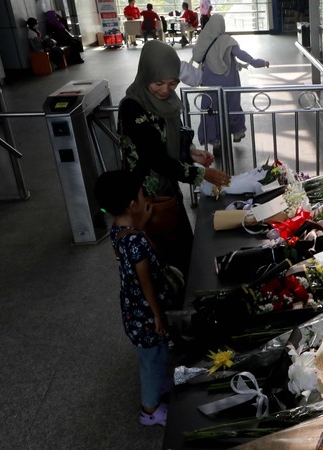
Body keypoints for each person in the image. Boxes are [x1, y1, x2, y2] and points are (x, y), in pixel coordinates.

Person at [118, 40, 230, 275]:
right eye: (158, 82)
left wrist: (190, 153)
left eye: (172, 83)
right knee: (161, 261)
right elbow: (156, 158)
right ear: (146, 73)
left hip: (168, 191)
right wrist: (203, 175)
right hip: (146, 200)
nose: (165, 90)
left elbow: (170, 139)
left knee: (183, 252)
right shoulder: (132, 107)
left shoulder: (167, 103)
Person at [94, 169, 173, 427]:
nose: (144, 198)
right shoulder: (136, 241)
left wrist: (140, 224)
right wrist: (157, 312)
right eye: (141, 195)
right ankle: (150, 409)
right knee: (150, 359)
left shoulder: (119, 231)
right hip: (145, 313)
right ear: (132, 204)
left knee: (155, 351)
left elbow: (131, 235)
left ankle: (162, 383)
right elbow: (145, 280)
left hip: (132, 310)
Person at [194, 15, 269, 148]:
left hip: (209, 81)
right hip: (228, 80)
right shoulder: (227, 40)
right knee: (232, 105)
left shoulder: (203, 40)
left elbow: (197, 57)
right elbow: (241, 54)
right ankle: (237, 132)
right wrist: (256, 62)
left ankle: (214, 140)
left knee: (210, 109)